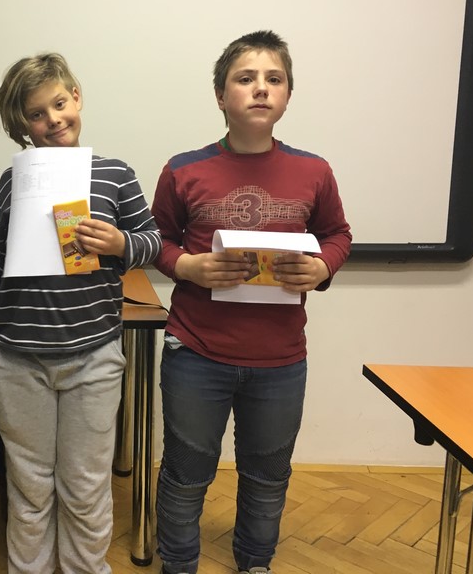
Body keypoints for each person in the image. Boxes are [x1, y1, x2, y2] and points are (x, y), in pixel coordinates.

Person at [0, 53, 161, 574]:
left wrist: (119, 243)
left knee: (85, 486)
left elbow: (154, 243)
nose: (53, 120)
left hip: (94, 358)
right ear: (23, 126)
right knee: (29, 485)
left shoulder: (114, 174)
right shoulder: (12, 181)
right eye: (36, 114)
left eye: (59, 104)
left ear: (76, 97)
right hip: (19, 361)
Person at [151, 30, 352, 574]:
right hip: (196, 351)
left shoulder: (314, 171)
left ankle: (255, 562)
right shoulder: (183, 169)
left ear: (287, 95)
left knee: (267, 476)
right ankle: (178, 564)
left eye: (274, 79)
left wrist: (321, 267)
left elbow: (338, 235)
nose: (261, 88)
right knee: (186, 473)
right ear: (221, 95)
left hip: (280, 359)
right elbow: (157, 241)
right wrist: (187, 266)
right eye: (246, 78)